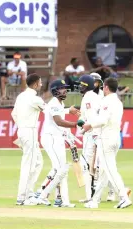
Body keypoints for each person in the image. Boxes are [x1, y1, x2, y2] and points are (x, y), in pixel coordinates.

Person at [82, 78, 132, 209]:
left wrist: (89, 125)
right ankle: (95, 200)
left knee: (110, 170)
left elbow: (103, 120)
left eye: (103, 87)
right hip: (115, 138)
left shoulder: (107, 101)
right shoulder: (118, 102)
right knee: (104, 171)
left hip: (106, 138)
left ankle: (123, 197)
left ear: (106, 87)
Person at [37, 79, 80, 208]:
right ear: (55, 90)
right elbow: (59, 121)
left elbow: (58, 113)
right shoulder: (54, 103)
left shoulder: (59, 103)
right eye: (62, 88)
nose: (65, 90)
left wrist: (68, 110)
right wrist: (76, 125)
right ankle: (42, 196)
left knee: (62, 171)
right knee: (60, 169)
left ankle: (62, 201)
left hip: (57, 138)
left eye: (65, 88)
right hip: (50, 139)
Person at [11, 73, 45, 206]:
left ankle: (29, 193)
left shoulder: (21, 96)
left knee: (38, 162)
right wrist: (67, 111)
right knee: (29, 165)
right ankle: (22, 197)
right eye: (40, 82)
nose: (41, 85)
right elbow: (51, 112)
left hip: (24, 131)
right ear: (36, 83)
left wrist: (21, 127)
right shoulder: (34, 98)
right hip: (29, 131)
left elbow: (13, 113)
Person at [77, 75, 100, 203]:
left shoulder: (88, 97)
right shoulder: (93, 96)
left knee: (86, 163)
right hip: (93, 133)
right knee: (97, 165)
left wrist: (84, 127)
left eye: (82, 84)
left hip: (91, 134)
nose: (79, 86)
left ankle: (90, 196)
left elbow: (90, 118)